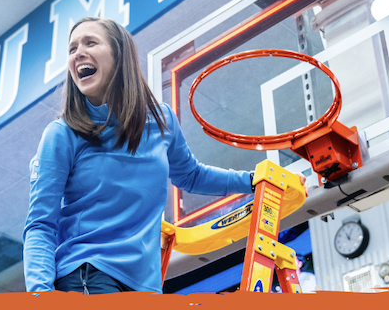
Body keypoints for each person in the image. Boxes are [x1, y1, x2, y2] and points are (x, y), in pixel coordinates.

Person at [24, 17, 280, 293]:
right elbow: (40, 224)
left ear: (119, 55)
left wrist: (255, 180)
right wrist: (40, 296)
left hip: (145, 286)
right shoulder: (62, 134)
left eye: (90, 42)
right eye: (72, 49)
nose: (78, 53)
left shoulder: (161, 121)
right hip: (88, 274)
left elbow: (192, 176)